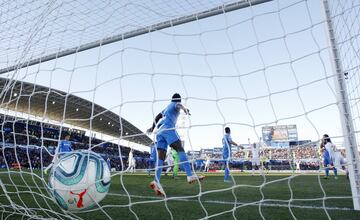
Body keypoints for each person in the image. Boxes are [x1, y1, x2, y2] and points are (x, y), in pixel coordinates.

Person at [147, 93, 204, 196]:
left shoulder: (166, 107)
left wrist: (152, 128)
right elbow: (179, 106)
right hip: (168, 129)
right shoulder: (176, 104)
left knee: (161, 157)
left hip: (159, 132)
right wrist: (185, 109)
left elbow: (157, 116)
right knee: (180, 149)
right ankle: (190, 175)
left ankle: (156, 181)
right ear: (179, 100)